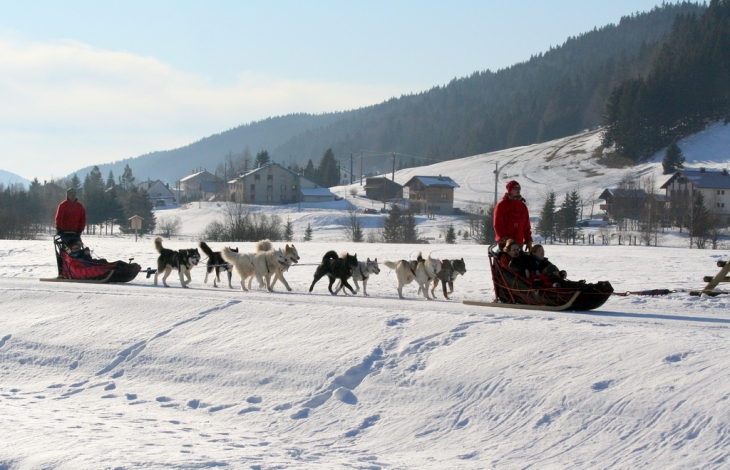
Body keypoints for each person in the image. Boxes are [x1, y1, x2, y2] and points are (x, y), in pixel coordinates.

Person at [55, 188, 86, 276]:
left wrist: (80, 230)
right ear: (67, 195)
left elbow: (83, 219)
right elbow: (59, 218)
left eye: (74, 194)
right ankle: (65, 271)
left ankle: (79, 269)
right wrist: (59, 229)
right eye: (71, 194)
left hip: (75, 233)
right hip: (65, 233)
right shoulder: (63, 205)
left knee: (78, 249)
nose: (73, 196)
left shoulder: (79, 206)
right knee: (67, 251)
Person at [493, 180, 533, 250]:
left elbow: (526, 226)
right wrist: (504, 237)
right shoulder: (501, 205)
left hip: (519, 243)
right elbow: (498, 225)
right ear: (510, 190)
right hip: (506, 244)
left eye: (519, 188)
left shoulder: (522, 206)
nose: (518, 190)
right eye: (515, 188)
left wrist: (528, 240)